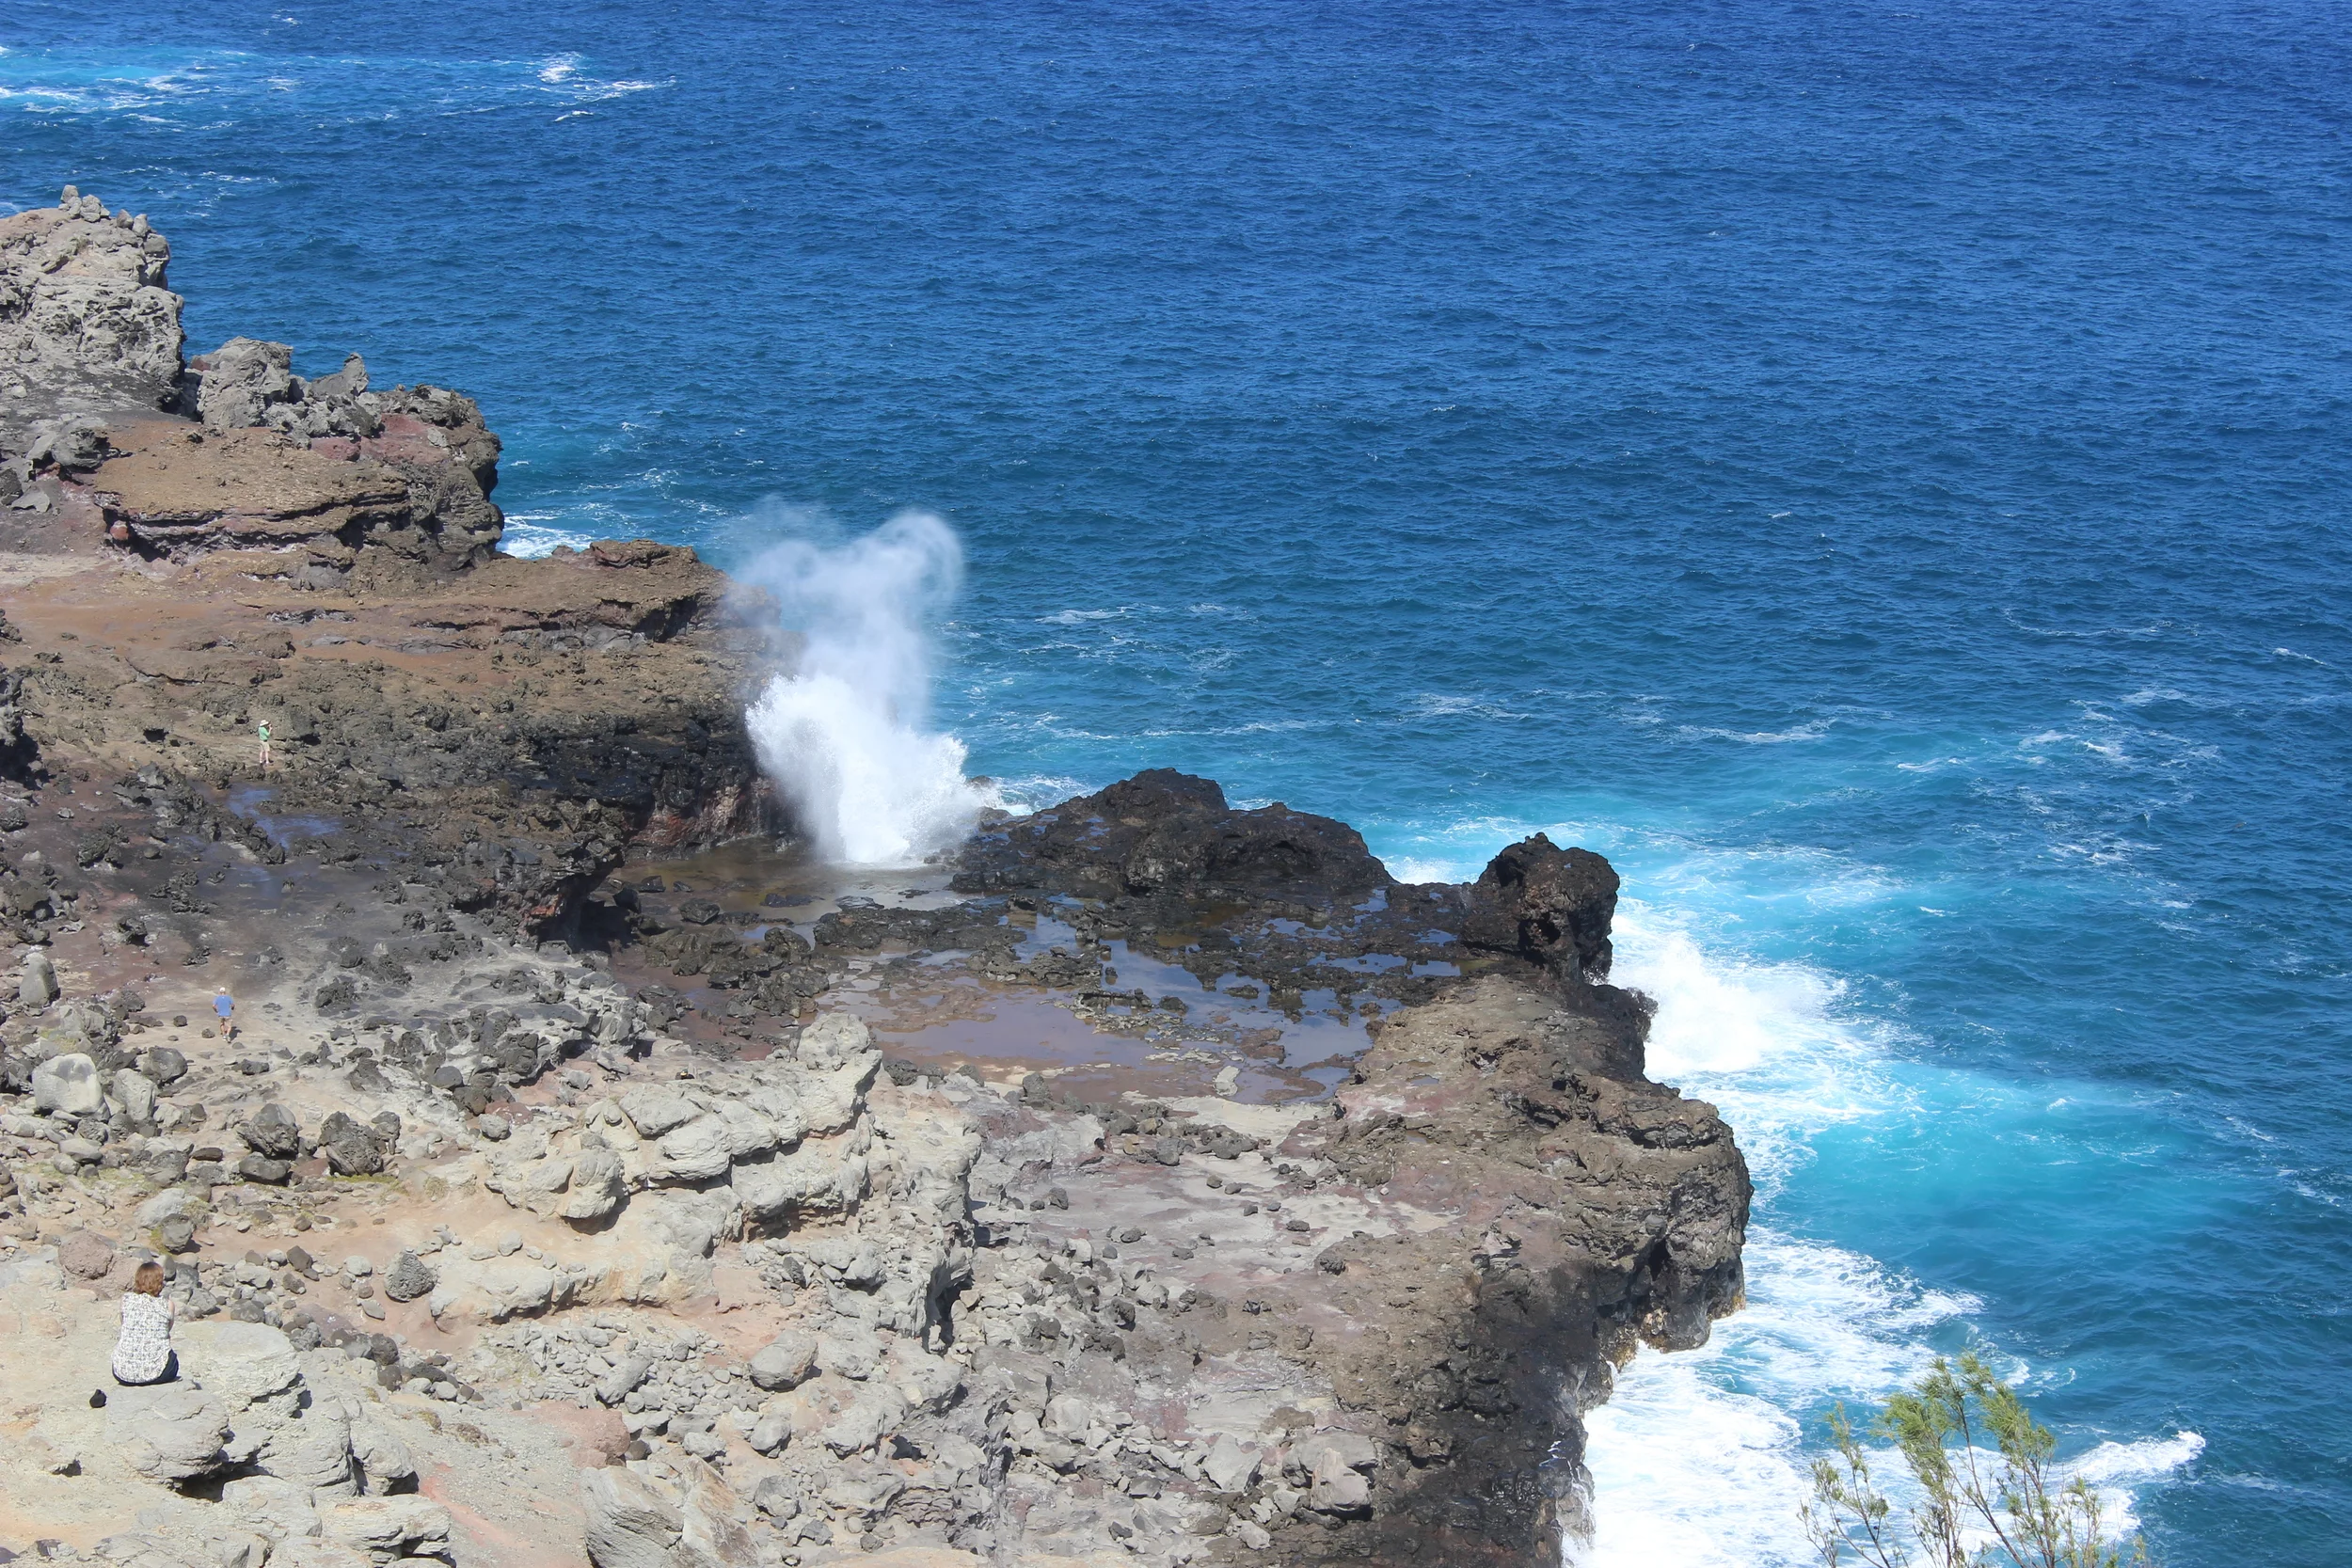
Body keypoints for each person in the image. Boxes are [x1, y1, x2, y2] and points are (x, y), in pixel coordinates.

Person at [111, 1260, 178, 1386]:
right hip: (158, 1373)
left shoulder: (126, 1299)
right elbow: (167, 1330)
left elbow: (124, 1323)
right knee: (172, 1358)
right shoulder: (167, 1304)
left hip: (123, 1373)